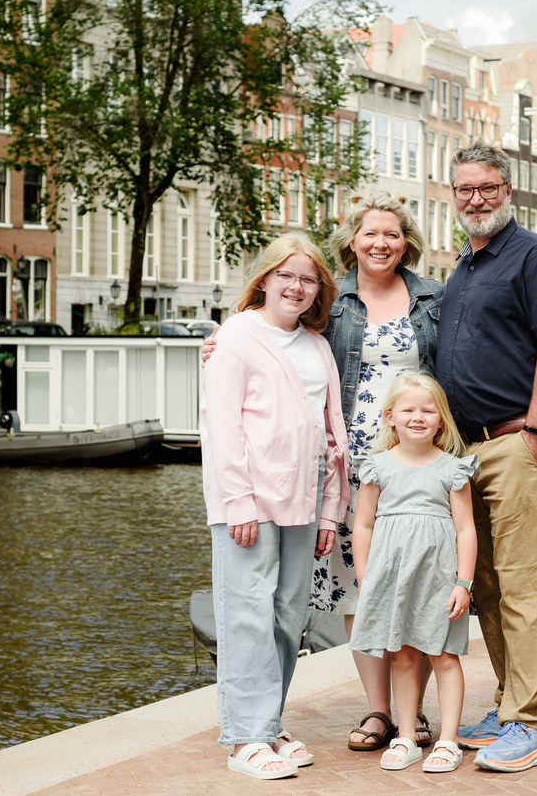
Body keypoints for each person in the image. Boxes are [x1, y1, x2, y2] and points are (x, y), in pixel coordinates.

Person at [203, 190, 444, 751]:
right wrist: (218, 342)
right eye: (369, 234)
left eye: (392, 234)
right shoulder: (330, 308)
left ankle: (411, 714)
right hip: (344, 470)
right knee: (354, 592)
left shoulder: (435, 298)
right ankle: (373, 712)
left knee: (407, 587)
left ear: (406, 241)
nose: (381, 243)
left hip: (403, 464)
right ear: (351, 243)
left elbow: (454, 362)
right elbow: (249, 369)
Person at [438, 140, 537, 773]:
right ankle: (507, 703)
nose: (476, 199)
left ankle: (530, 724)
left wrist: (532, 431)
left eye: (487, 188)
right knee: (487, 587)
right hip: (469, 450)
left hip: (514, 441)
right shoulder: (463, 266)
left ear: (508, 190)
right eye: (465, 190)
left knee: (521, 585)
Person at [200, 232, 350, 780]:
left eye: (308, 279)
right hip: (251, 501)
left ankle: (268, 721)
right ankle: (244, 737)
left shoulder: (318, 347)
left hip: (305, 499)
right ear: (263, 279)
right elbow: (223, 426)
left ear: (319, 291)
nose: (296, 286)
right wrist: (238, 500)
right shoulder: (236, 338)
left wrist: (331, 508)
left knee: (289, 616)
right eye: (285, 275)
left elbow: (332, 435)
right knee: (246, 615)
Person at [349, 374, 478, 774]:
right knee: (402, 657)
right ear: (390, 417)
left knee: (443, 655)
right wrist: (366, 576)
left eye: (428, 409)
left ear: (441, 420)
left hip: (438, 578)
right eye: (408, 409)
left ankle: (448, 741)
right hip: (392, 578)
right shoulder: (377, 467)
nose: (418, 417)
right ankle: (405, 736)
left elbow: (465, 529)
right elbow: (364, 526)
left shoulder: (452, 469)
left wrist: (464, 583)